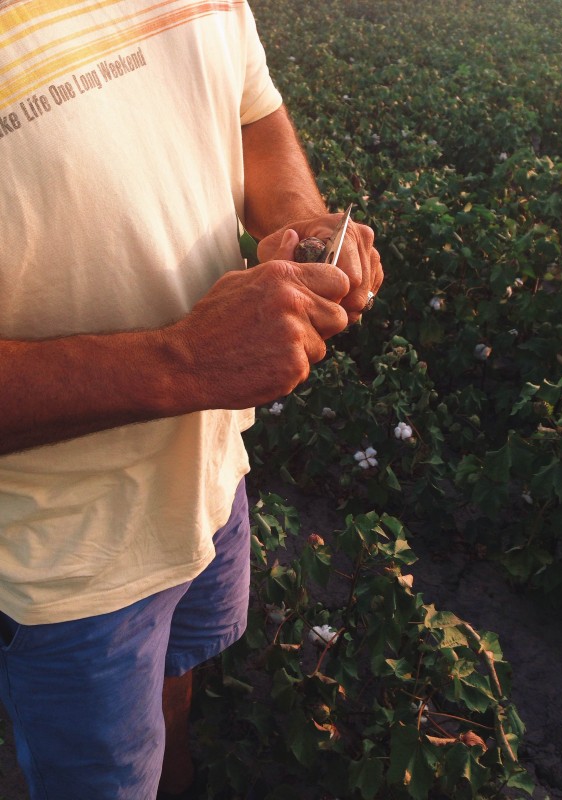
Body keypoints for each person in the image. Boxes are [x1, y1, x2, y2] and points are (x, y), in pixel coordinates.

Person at [0, 2, 383, 798]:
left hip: (212, 477)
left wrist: (303, 224)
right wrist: (187, 360)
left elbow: (256, 119)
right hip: (65, 561)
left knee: (179, 684)